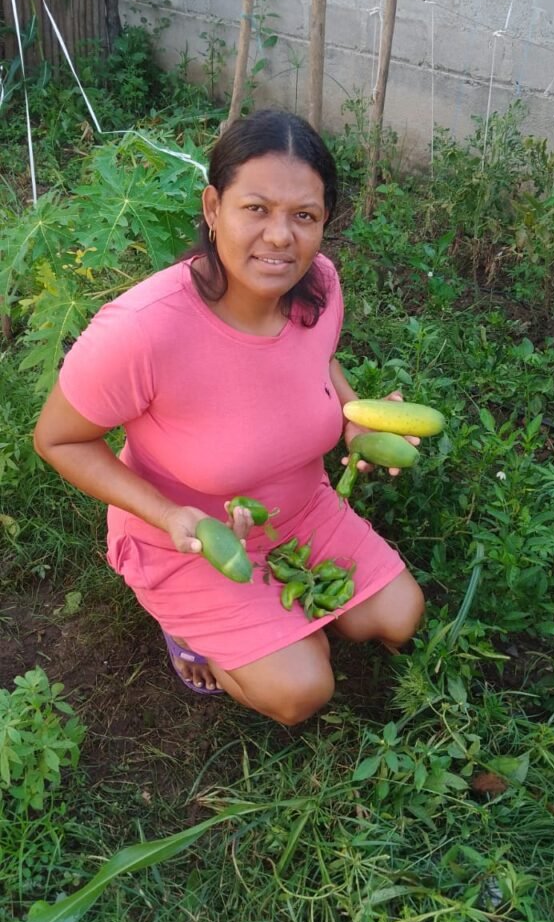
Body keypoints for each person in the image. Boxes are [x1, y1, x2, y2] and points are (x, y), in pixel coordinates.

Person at [33, 109, 424, 726]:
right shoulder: (143, 330)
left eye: (304, 216)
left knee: (400, 618)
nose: (280, 238)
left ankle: (269, 620)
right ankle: (185, 627)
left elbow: (320, 360)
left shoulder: (318, 285)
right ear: (213, 208)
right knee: (300, 692)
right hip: (193, 538)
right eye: (256, 209)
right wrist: (168, 515)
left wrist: (354, 420)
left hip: (300, 508)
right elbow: (58, 440)